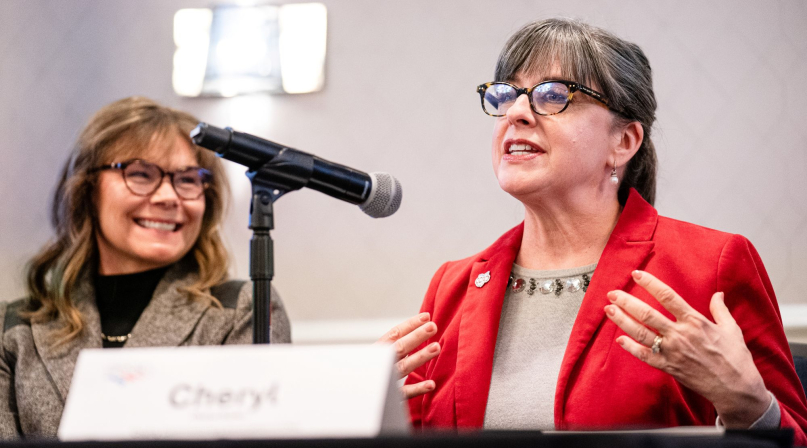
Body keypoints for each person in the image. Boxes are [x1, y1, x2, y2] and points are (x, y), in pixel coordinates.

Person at [395, 18, 807, 442]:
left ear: (624, 142)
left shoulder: (711, 266)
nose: (516, 113)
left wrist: (748, 405)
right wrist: (365, 399)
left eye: (552, 95)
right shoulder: (453, 286)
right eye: (506, 95)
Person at [0, 97, 291, 438]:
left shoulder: (243, 311)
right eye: (140, 173)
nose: (169, 197)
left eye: (187, 179)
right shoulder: (13, 330)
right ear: (89, 191)